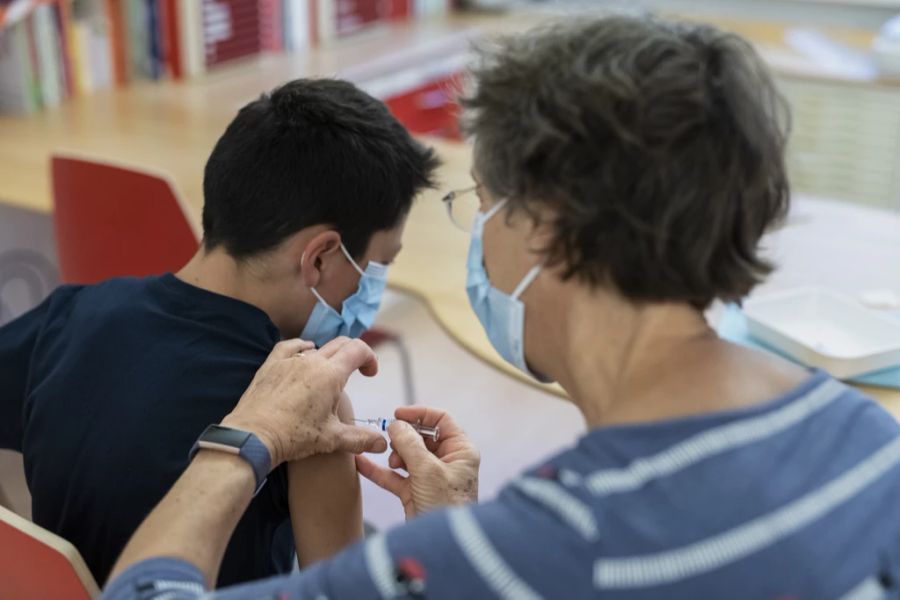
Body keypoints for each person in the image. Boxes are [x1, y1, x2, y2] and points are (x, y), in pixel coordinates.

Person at [105, 14, 900, 599]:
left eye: (482, 204)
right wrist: (452, 543)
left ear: (547, 227)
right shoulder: (869, 439)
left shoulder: (545, 552)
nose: (479, 238)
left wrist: (243, 439)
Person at [0, 78, 438, 586]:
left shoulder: (69, 313)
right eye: (378, 264)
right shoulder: (311, 410)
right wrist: (432, 535)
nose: (374, 285)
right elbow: (346, 593)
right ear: (319, 257)